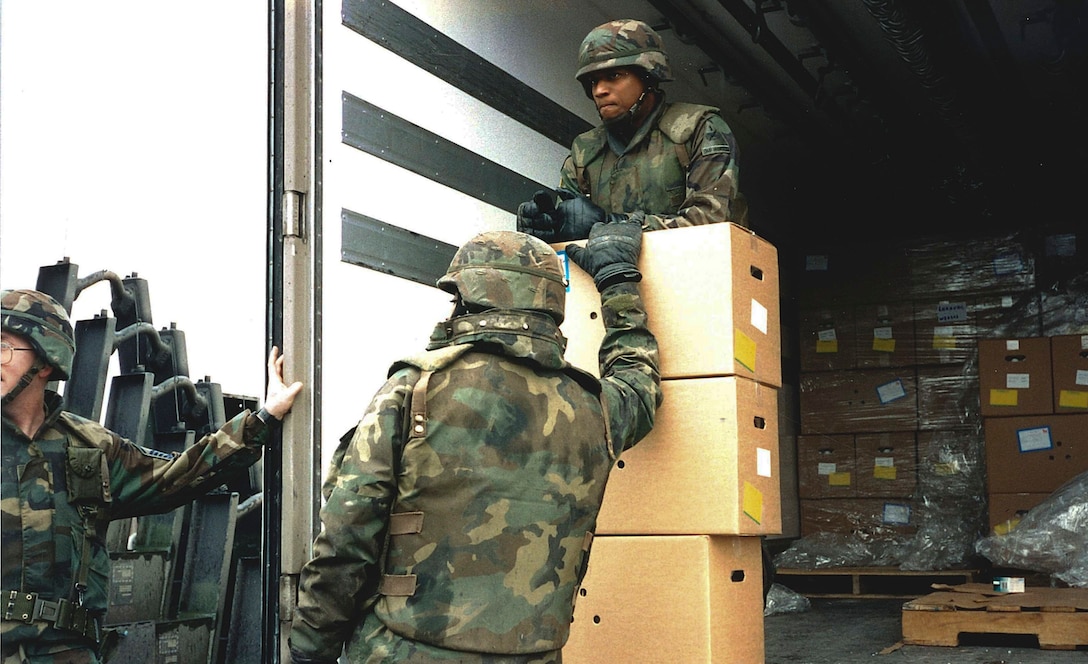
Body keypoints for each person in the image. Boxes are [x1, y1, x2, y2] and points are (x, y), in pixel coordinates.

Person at [289, 223, 662, 664]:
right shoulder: (595, 406)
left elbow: (345, 539)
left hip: (403, 651)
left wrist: (310, 651)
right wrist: (617, 280)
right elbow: (639, 382)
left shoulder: (414, 388)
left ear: (468, 300)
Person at [1, 288, 303, 664]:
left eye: (4, 348)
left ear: (45, 360)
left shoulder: (89, 445)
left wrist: (263, 418)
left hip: (67, 653)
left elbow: (176, 475)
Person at [517, 18, 747, 243]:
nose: (599, 90)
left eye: (613, 76)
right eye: (593, 82)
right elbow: (572, 240)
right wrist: (547, 229)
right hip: (607, 277)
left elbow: (711, 223)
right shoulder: (584, 152)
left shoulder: (697, 128)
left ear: (648, 76)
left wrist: (611, 223)